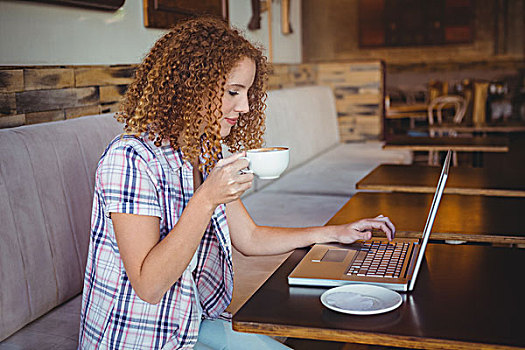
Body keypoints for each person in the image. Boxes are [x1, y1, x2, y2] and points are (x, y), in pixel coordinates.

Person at [78, 16, 395, 350]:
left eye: (246, 93)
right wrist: (206, 199)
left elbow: (249, 236)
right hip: (140, 339)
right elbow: (148, 285)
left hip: (190, 324)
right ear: (190, 86)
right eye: (233, 92)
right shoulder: (130, 159)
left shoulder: (203, 149)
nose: (244, 107)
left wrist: (332, 233)